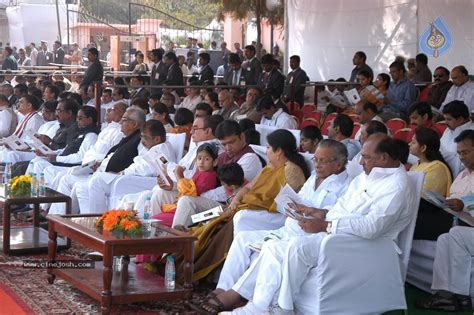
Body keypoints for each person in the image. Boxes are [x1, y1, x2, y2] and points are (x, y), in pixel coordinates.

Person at [173, 129, 309, 286]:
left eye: (269, 148)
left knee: (228, 221)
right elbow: (249, 187)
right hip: (242, 206)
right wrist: (237, 199)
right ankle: (180, 246)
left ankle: (201, 264)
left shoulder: (292, 170)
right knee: (209, 223)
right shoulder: (270, 166)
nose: (266, 151)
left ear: (278, 151)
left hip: (269, 213)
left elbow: (289, 202)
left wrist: (248, 204)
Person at [415, 130, 474, 311]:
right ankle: (444, 294)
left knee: (454, 233)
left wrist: (462, 205)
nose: (461, 157)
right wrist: (446, 204)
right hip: (462, 223)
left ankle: (461, 295)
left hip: (467, 226)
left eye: (466, 152)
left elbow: (466, 203)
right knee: (444, 238)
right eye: (459, 153)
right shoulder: (463, 175)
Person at [49, 107, 144, 214]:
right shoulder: (126, 138)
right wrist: (100, 164)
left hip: (112, 178)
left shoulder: (140, 140)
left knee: (80, 187)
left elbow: (139, 164)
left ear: (135, 124)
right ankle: (57, 218)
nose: (121, 122)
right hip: (98, 171)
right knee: (66, 179)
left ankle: (76, 221)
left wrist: (121, 172)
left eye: (124, 119)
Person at [80, 120, 176, 214]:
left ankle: (98, 218)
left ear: (157, 139)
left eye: (145, 138)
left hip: (144, 181)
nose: (142, 141)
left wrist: (123, 173)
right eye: (141, 137)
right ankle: (95, 217)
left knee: (97, 182)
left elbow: (146, 169)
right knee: (88, 185)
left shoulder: (161, 149)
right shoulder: (152, 147)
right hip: (131, 177)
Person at [152, 143, 220, 226]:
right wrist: (171, 185)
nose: (201, 162)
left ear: (215, 162)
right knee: (159, 195)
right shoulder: (199, 172)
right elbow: (188, 185)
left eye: (207, 159)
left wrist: (178, 174)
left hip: (192, 210)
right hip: (181, 204)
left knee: (156, 219)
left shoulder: (209, 176)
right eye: (199, 158)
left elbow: (189, 194)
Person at [409, 128, 453, 240]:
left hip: (432, 217)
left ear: (423, 148)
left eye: (413, 142)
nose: (409, 144)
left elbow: (425, 199)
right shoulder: (415, 166)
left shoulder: (437, 167)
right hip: (416, 211)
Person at [440, 101, 474, 176]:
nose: (445, 122)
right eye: (445, 119)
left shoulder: (472, 132)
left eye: (449, 119)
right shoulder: (448, 130)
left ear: (460, 119)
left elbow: (465, 161)